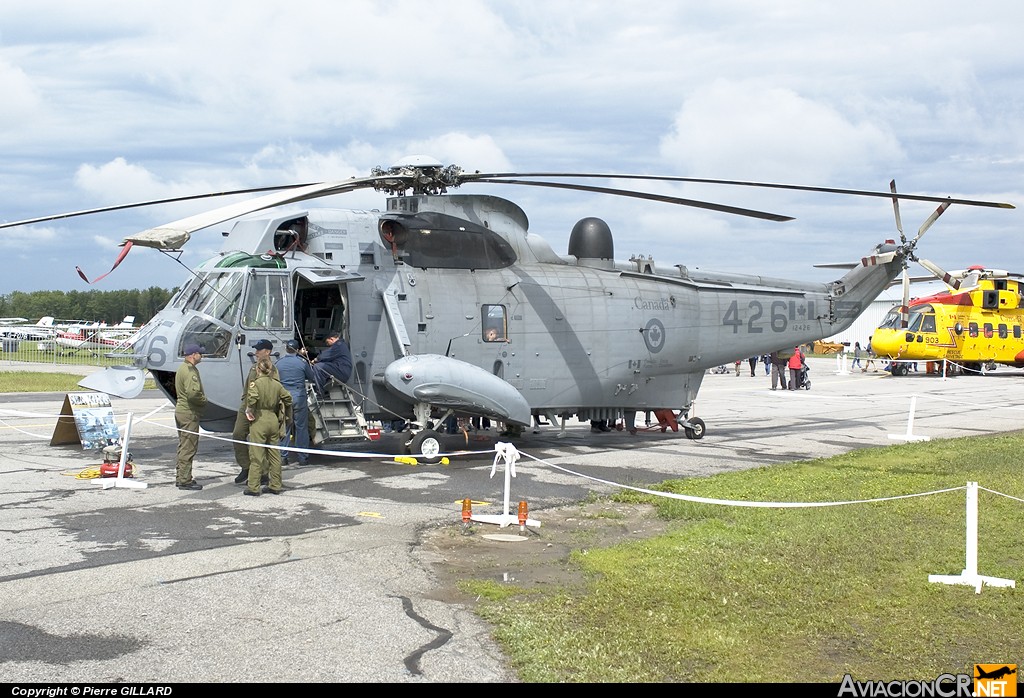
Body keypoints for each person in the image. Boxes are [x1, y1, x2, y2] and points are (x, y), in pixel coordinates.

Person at [243, 357, 292, 496]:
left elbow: (252, 398)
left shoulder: (255, 384)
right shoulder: (276, 384)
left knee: (256, 455)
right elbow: (288, 398)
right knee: (274, 454)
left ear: (258, 369)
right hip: (273, 419)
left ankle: (253, 487)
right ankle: (275, 485)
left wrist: (249, 410)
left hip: (259, 419)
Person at [232, 339, 278, 484]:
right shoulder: (253, 368)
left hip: (260, 409)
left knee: (258, 442)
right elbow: (248, 386)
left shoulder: (272, 371)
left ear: (268, 352)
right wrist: (245, 403)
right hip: (246, 406)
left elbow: (274, 391)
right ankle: (246, 467)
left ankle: (262, 473)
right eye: (256, 350)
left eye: (259, 350)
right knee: (237, 434)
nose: (256, 352)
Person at [277, 339, 316, 466]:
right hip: (299, 396)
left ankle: (283, 457)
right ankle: (302, 457)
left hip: (284, 398)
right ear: (298, 350)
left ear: (286, 349)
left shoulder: (279, 363)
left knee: (285, 427)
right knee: (301, 428)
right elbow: (312, 377)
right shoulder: (302, 363)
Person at [174, 342, 207, 490]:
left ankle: (181, 476)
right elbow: (193, 394)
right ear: (193, 355)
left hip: (182, 411)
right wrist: (203, 401)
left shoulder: (182, 368)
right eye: (200, 353)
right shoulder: (190, 371)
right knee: (189, 447)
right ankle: (184, 480)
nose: (202, 356)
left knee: (183, 445)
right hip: (189, 412)